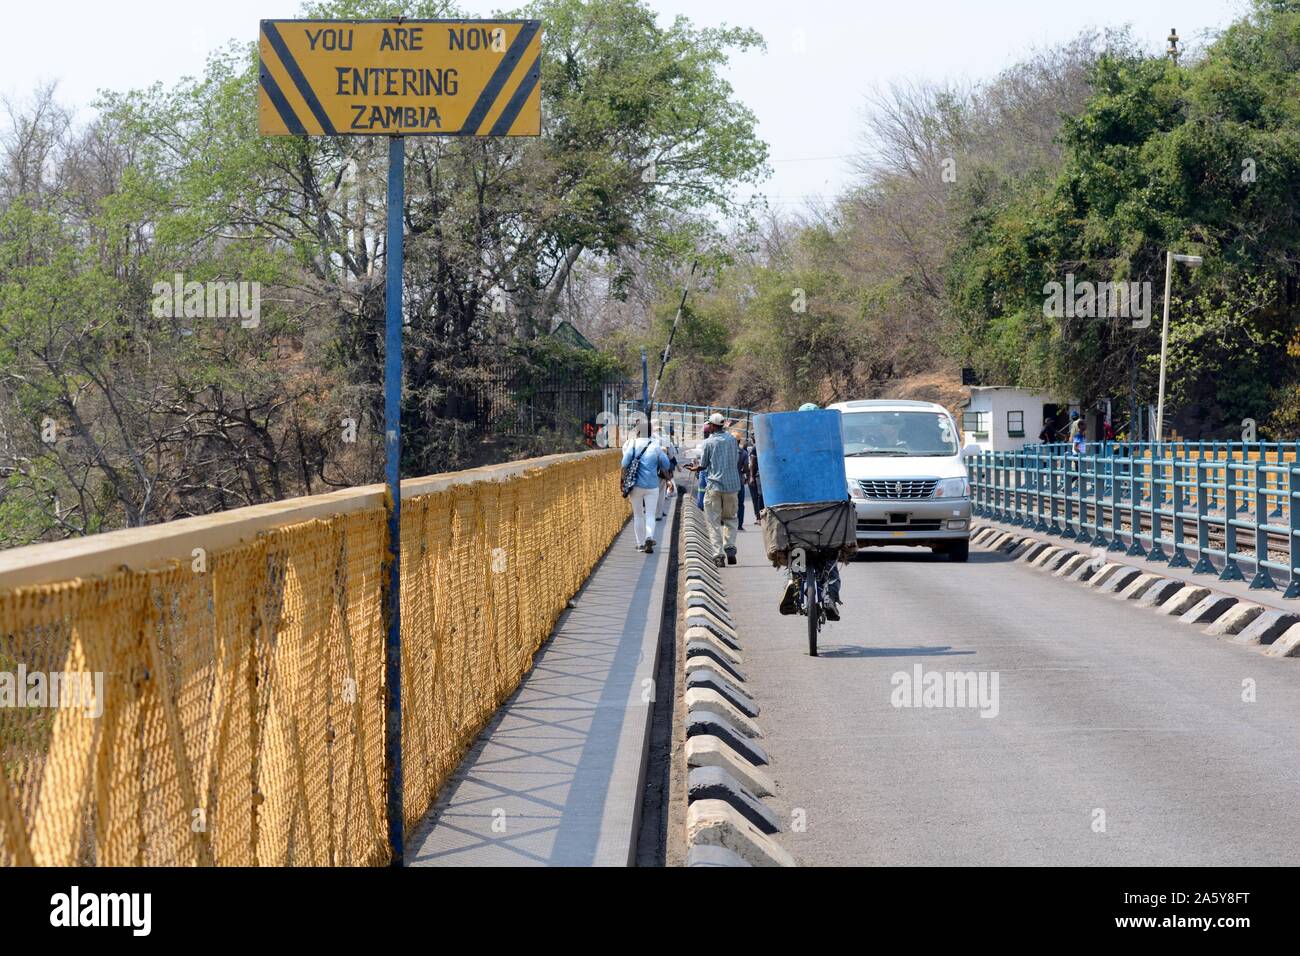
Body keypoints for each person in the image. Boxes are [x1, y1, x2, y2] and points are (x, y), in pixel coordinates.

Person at [776, 402, 844, 620]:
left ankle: (794, 581)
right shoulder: (830, 444)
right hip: (827, 517)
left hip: (797, 517)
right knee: (830, 558)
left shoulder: (791, 446)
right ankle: (830, 597)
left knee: (797, 548)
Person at [686, 412, 741, 568]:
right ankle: (730, 547)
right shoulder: (732, 439)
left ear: (712, 426)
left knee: (713, 521)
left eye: (708, 424)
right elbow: (735, 459)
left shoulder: (709, 442)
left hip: (714, 486)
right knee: (731, 518)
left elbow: (703, 465)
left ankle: (718, 555)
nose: (707, 426)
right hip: (732, 486)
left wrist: (694, 468)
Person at [621, 426, 671, 554]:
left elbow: (624, 463)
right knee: (650, 515)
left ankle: (640, 544)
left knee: (638, 515)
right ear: (650, 433)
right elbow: (666, 465)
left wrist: (622, 480)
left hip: (635, 486)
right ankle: (649, 537)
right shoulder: (655, 445)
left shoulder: (632, 444)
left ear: (637, 432)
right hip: (652, 486)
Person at [655, 430, 678, 523]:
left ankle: (651, 512)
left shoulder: (651, 439)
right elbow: (671, 456)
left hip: (650, 472)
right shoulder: (665, 438)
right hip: (662, 471)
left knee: (651, 494)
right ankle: (659, 514)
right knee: (661, 493)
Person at [733, 429, 749, 531]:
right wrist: (743, 473)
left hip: (728, 482)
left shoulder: (727, 453)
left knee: (727, 503)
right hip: (739, 481)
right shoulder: (743, 453)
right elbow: (746, 468)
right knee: (740, 504)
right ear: (739, 441)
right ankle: (739, 524)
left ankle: (727, 523)